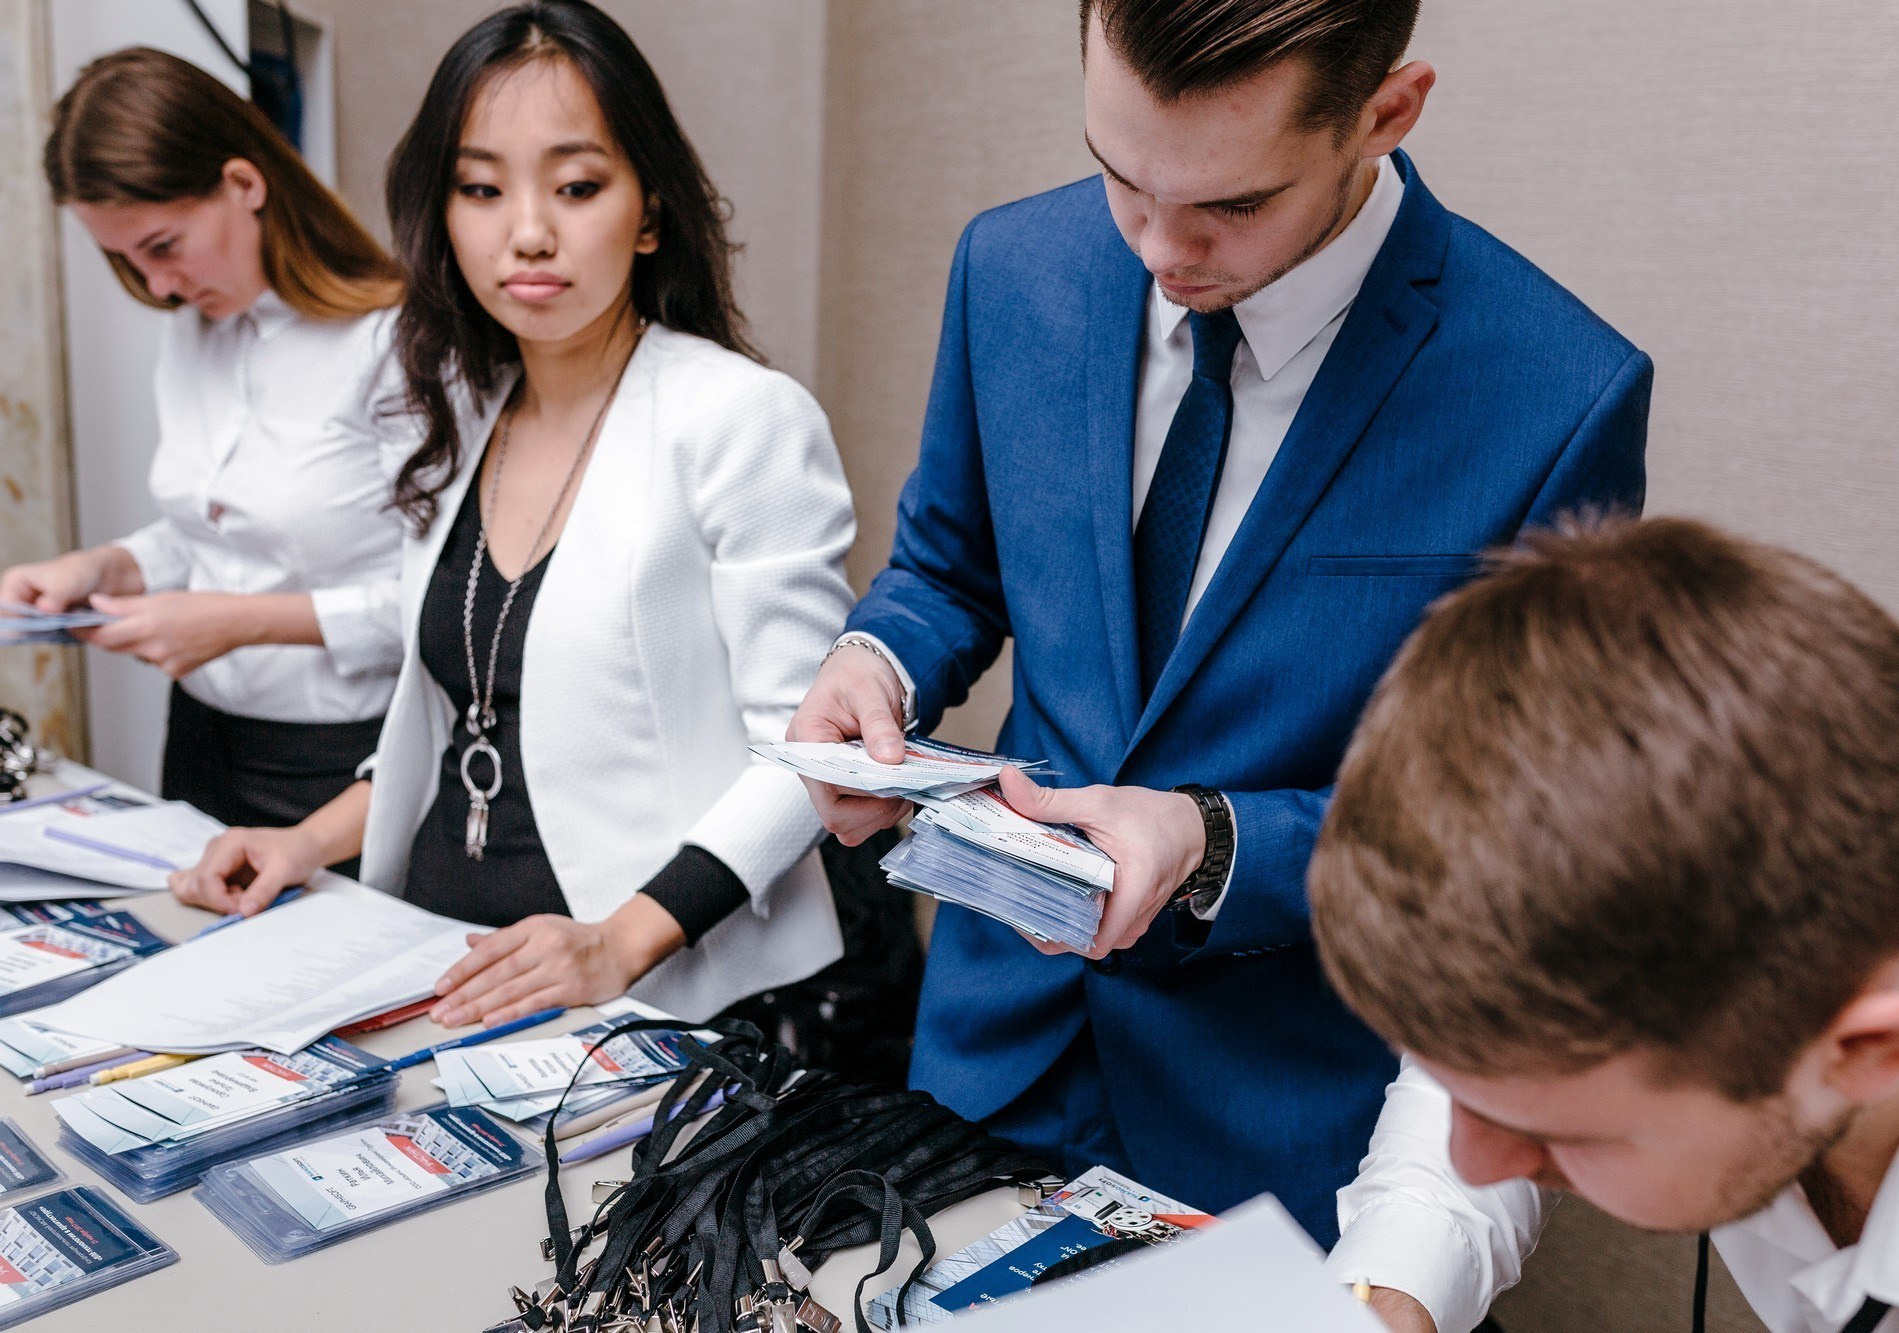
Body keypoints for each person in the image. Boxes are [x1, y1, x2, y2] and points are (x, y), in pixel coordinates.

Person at [786, 0, 1651, 1241]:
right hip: (986, 1055)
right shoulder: (1012, 266)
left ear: (1384, 114)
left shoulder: (1552, 393)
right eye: (1117, 176)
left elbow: (1519, 836)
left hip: (1278, 1122)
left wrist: (1213, 842)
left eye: (1232, 205)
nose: (1157, 246)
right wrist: (875, 661)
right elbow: (949, 565)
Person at [172, 0, 852, 1026]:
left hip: (649, 988)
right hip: (427, 956)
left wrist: (618, 943)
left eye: (577, 187)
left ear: (650, 210)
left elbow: (807, 759)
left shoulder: (740, 419)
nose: (527, 232)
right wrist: (303, 842)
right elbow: (453, 719)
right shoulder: (458, 417)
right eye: (481, 189)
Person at [1312, 516, 1899, 1333]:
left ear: (1864, 1050)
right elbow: (1509, 1059)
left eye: (1562, 1134)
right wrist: (1392, 1294)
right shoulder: (1798, 791)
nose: (1472, 1158)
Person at [6, 48, 406, 856]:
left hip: (339, 764)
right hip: (199, 740)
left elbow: (453, 608)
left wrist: (235, 623)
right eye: (125, 259)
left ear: (245, 185)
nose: (155, 286)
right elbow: (212, 538)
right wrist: (104, 569)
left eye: (163, 245)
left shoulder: (395, 345)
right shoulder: (194, 333)